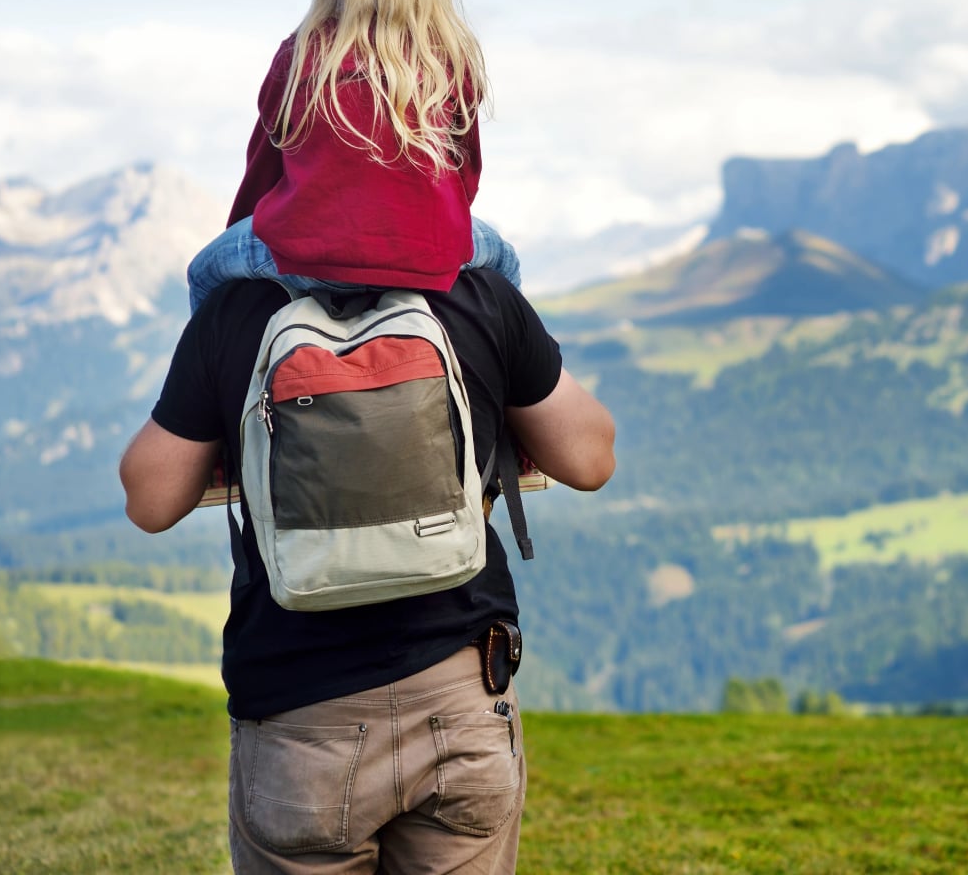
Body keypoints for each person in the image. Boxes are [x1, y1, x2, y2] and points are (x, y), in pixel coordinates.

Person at [119, 266, 615, 871]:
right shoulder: (475, 295)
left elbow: (149, 502)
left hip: (299, 716)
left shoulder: (235, 312)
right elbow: (591, 459)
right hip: (462, 697)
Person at [186, 0, 521, 313]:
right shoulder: (450, 54)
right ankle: (518, 375)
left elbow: (261, 175)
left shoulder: (302, 53)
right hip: (426, 251)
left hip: (309, 257)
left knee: (203, 273)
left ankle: (218, 381)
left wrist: (245, 234)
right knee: (507, 262)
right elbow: (467, 177)